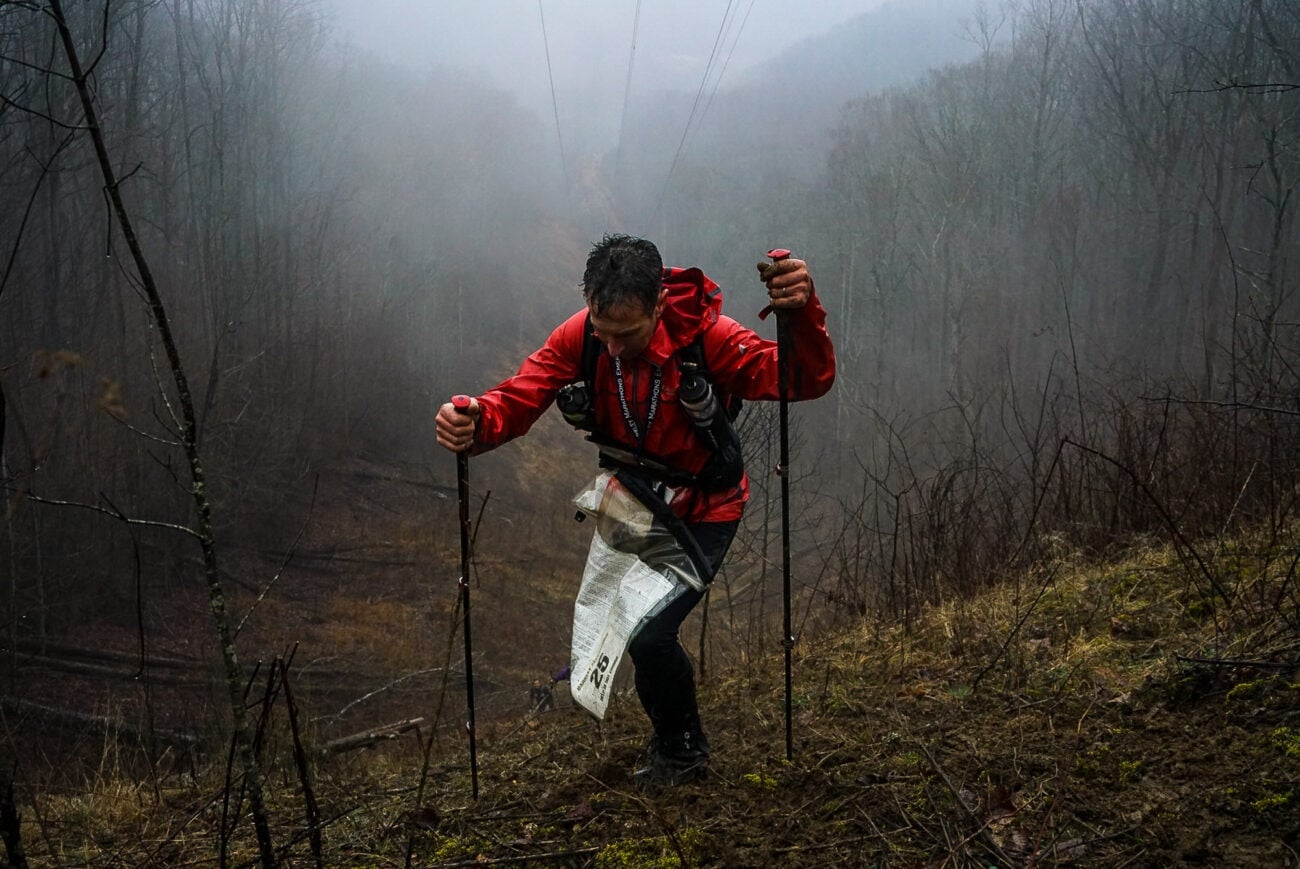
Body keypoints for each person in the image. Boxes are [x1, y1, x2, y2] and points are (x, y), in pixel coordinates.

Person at [435, 234, 835, 788]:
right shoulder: (582, 337)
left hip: (706, 508)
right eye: (604, 333)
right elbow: (520, 396)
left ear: (660, 305)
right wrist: (476, 420)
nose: (615, 348)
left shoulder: (708, 338)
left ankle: (683, 752)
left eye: (629, 335)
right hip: (631, 504)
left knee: (650, 633)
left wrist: (803, 310)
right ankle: (672, 741)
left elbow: (801, 379)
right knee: (626, 627)